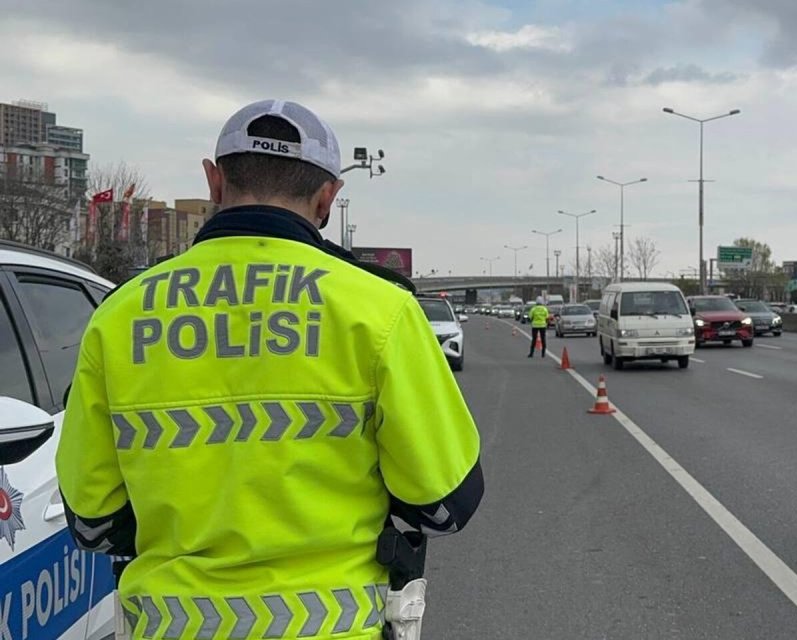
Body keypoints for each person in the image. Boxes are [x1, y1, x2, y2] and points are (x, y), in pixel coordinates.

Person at [55, 100, 483, 640]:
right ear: (329, 197)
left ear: (214, 181)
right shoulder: (379, 310)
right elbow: (446, 503)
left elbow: (92, 522)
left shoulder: (121, 314)